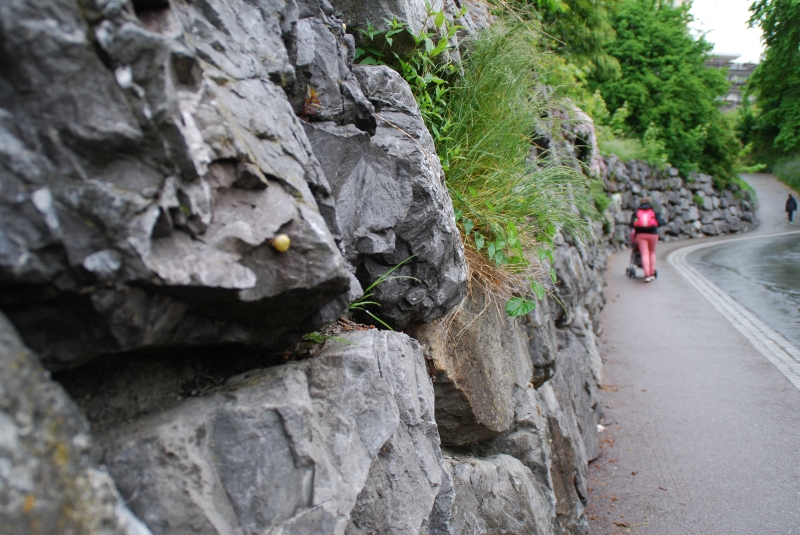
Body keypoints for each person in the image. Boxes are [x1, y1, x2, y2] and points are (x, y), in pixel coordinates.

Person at [631, 197, 664, 283]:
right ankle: (652, 273)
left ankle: (647, 275)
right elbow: (660, 223)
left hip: (641, 235)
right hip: (653, 234)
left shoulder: (636, 212)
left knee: (644, 253)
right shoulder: (655, 212)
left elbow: (632, 224)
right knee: (652, 252)